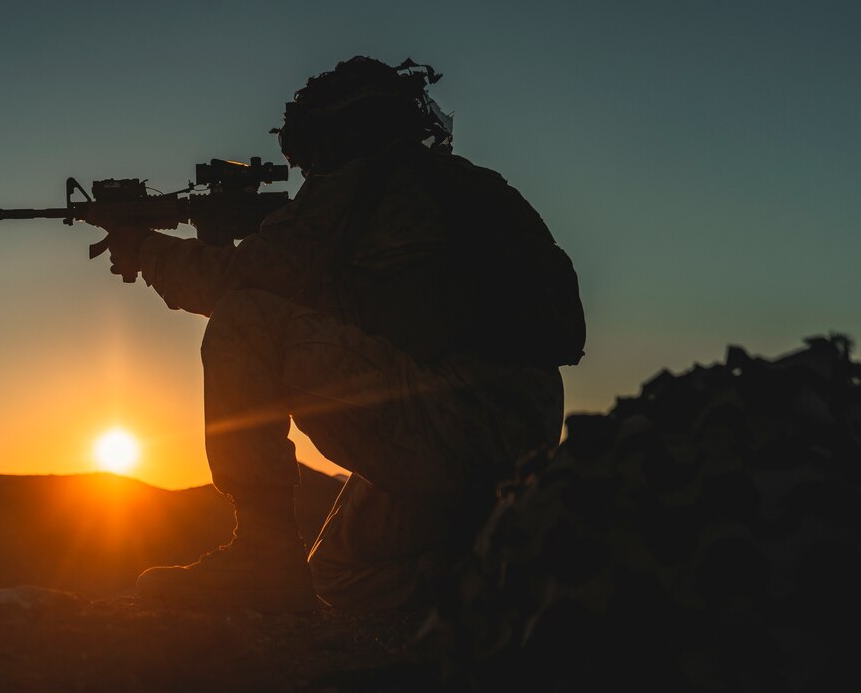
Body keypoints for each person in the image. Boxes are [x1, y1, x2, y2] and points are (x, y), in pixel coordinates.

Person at [89, 56, 586, 612]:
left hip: (452, 422)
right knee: (337, 575)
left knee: (244, 319)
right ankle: (477, 582)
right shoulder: (461, 188)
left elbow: (233, 284)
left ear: (343, 134)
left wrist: (145, 248)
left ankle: (263, 554)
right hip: (518, 436)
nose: (308, 172)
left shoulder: (360, 185)